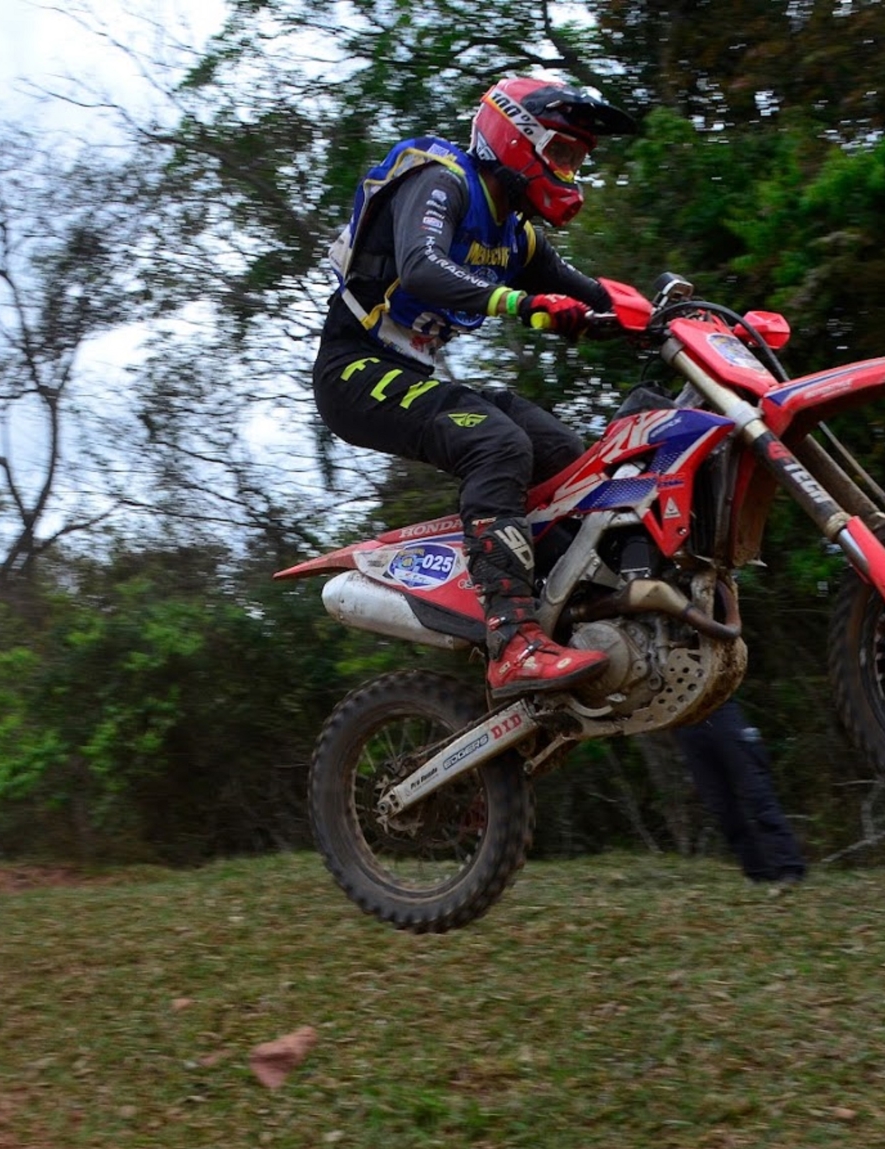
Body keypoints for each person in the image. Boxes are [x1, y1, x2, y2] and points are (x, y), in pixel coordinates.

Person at [312, 76, 638, 699]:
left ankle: (571, 613)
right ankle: (512, 640)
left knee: (571, 458)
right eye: (564, 153)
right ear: (519, 139)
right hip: (352, 371)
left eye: (578, 160)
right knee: (497, 444)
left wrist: (665, 318)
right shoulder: (444, 180)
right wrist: (524, 303)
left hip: (408, 374)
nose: (570, 172)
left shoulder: (516, 234)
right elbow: (421, 266)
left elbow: (590, 294)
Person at [671, 698, 807, 884]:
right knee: (720, 805)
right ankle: (757, 872)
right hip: (684, 723)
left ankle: (789, 869)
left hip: (721, 712)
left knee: (757, 794)